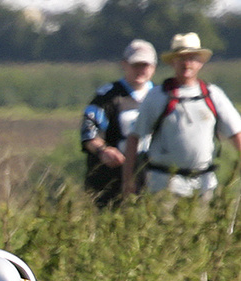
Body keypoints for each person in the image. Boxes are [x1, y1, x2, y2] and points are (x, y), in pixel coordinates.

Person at [123, 32, 241, 204]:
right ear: (173, 61)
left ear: (201, 62)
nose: (187, 63)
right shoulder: (157, 96)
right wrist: (128, 181)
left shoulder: (213, 95)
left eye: (192, 58)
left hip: (203, 186)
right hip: (163, 186)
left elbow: (236, 134)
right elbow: (134, 138)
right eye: (181, 58)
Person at [80, 39, 155, 208]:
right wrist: (103, 150)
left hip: (151, 179)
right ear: (124, 65)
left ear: (153, 67)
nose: (140, 70)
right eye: (135, 65)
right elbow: (89, 132)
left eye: (145, 65)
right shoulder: (107, 97)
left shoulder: (161, 96)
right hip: (112, 180)